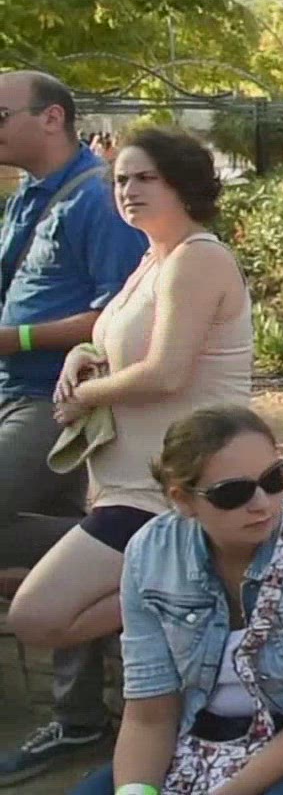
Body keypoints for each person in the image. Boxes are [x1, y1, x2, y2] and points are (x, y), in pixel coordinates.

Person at [10, 126, 254, 729]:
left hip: (168, 493)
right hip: (125, 489)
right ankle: (181, 593)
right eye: (121, 179)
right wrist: (81, 357)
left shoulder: (198, 258)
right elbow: (111, 338)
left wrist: (84, 396)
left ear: (183, 185)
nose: (129, 190)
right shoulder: (153, 259)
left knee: (37, 617)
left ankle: (193, 589)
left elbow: (167, 372)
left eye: (146, 178)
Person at [69, 406, 283, 795]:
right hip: (205, 728)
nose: (262, 503)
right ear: (182, 499)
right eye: (233, 493)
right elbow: (150, 714)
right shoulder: (151, 554)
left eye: (274, 479)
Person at [0, 71, 148, 784]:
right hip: (15, 392)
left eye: (0, 114)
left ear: (52, 117)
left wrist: (17, 341)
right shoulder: (27, 196)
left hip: (47, 400)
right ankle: (78, 718)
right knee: (62, 544)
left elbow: (113, 316)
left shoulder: (97, 198)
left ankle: (137, 544)